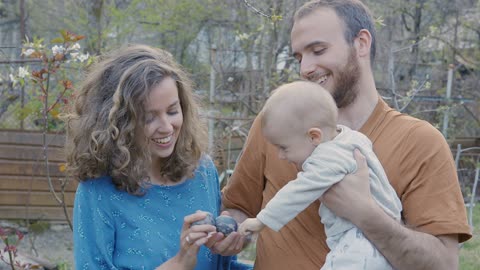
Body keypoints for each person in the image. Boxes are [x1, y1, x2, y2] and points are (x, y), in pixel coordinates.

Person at [218, 0, 472, 269]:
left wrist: (365, 213)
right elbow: (238, 209)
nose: (305, 68)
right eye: (299, 57)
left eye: (318, 50)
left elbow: (443, 264)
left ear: (361, 43)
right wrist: (228, 233)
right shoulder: (279, 123)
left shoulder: (420, 142)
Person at [65, 44, 251, 270]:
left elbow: (224, 266)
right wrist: (179, 264)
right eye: (148, 118)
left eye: (172, 111)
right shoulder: (98, 191)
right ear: (119, 123)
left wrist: (231, 244)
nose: (166, 127)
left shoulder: (202, 170)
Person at [238, 81, 402, 269]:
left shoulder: (327, 157)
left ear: (314, 137)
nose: (280, 156)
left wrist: (262, 220)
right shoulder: (352, 139)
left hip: (359, 242)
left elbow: (298, 191)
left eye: (284, 147)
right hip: (377, 242)